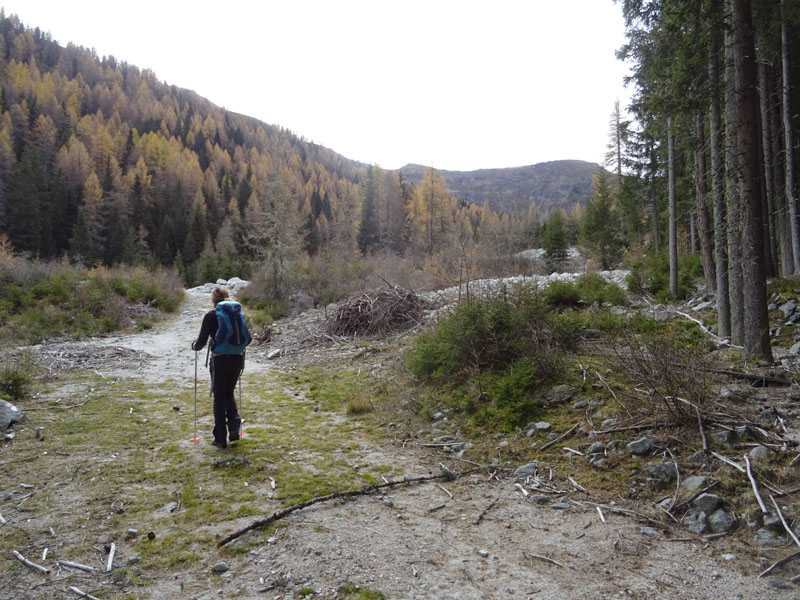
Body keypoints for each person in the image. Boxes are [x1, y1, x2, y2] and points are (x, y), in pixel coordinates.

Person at [191, 286, 243, 448]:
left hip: (220, 361)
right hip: (237, 359)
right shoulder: (236, 314)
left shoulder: (211, 316)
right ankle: (234, 424)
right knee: (229, 393)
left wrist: (194, 346)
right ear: (227, 297)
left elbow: (200, 343)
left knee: (219, 397)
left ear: (213, 300)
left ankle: (220, 438)